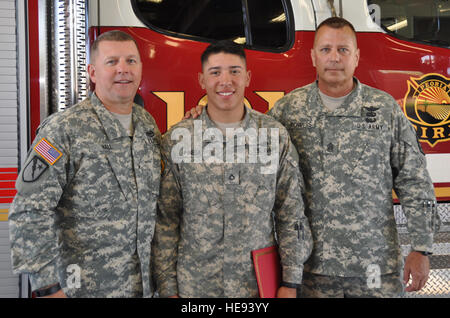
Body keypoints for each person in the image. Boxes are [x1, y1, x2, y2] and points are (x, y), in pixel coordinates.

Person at [186, 18, 440, 297]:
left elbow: (414, 179)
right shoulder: (288, 111)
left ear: (356, 57)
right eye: (326, 49)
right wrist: (203, 118)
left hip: (374, 266)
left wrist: (422, 247)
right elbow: (246, 146)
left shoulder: (384, 110)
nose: (334, 58)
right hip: (309, 272)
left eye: (343, 50)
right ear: (313, 56)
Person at [151, 40, 312, 298]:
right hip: (195, 289)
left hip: (256, 289)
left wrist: (291, 282)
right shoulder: (179, 140)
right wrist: (168, 288)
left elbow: (291, 213)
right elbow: (166, 222)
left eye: (235, 71)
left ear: (247, 77)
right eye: (215, 72)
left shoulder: (273, 136)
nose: (226, 81)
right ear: (202, 80)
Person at [9, 30, 161, 298]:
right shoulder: (62, 130)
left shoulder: (147, 125)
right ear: (92, 72)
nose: (123, 70)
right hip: (83, 289)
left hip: (142, 288)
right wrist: (49, 288)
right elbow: (29, 211)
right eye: (112, 62)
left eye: (131, 61)